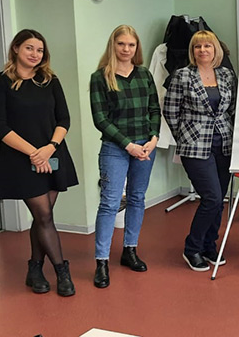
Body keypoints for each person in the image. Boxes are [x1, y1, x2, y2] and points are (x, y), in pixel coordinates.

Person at [0, 29, 79, 296]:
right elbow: (0, 127)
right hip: (20, 158)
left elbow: (64, 119)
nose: (35, 54)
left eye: (39, 50)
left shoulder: (49, 80)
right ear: (16, 48)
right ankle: (62, 270)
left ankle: (35, 269)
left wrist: (49, 149)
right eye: (29, 48)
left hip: (53, 154)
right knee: (44, 215)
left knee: (41, 217)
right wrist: (35, 153)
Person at [89, 25, 161, 288]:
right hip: (115, 148)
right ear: (113, 45)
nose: (126, 49)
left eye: (131, 45)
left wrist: (153, 138)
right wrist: (128, 145)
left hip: (146, 147)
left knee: (137, 198)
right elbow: (100, 119)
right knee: (109, 203)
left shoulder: (144, 74)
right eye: (121, 44)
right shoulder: (101, 77)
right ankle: (101, 261)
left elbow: (154, 109)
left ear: (136, 47)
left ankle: (130, 249)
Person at [164, 30, 237, 272]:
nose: (203, 50)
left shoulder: (226, 75)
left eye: (207, 46)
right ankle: (192, 248)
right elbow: (170, 111)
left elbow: (232, 108)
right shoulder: (182, 75)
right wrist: (185, 136)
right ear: (192, 51)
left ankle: (209, 245)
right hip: (194, 146)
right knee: (212, 197)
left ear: (216, 50)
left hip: (224, 143)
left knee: (219, 200)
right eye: (198, 47)